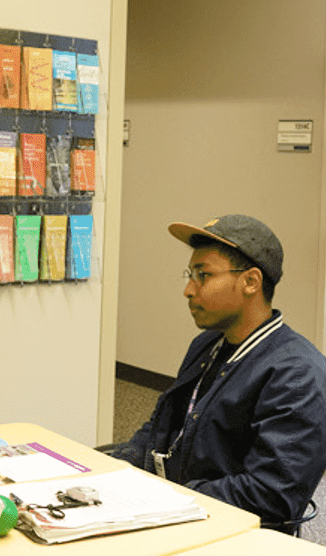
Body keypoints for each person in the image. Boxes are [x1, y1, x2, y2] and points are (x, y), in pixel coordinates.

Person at [107, 215, 326, 531]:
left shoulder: (298, 375)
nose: (188, 290)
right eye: (190, 275)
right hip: (173, 513)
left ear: (251, 282)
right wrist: (112, 475)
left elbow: (270, 496)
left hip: (228, 536)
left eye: (203, 275)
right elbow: (161, 427)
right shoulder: (207, 345)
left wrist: (168, 497)